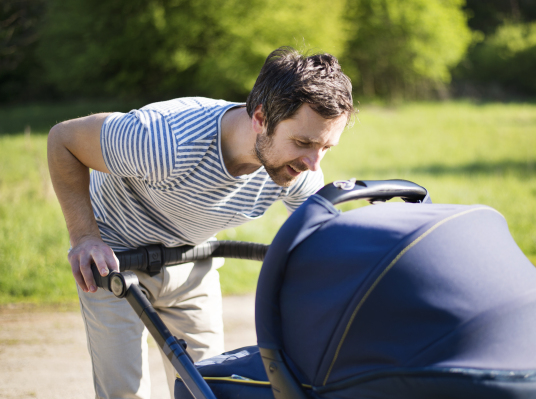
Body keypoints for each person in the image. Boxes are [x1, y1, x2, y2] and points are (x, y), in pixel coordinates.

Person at [47, 46, 354, 399]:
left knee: (209, 390)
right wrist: (85, 237)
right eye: (303, 142)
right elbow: (63, 141)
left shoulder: (298, 169)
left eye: (326, 148)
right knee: (124, 392)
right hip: (116, 260)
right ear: (260, 119)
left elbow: (325, 239)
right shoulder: (163, 139)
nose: (314, 163)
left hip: (193, 260)